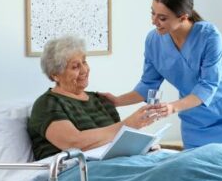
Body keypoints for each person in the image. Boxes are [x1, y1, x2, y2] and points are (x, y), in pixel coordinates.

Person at [102, 0, 222, 150]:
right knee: (193, 172)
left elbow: (207, 86)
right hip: (193, 120)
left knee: (220, 170)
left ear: (183, 17)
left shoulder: (209, 36)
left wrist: (172, 107)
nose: (154, 21)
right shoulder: (153, 41)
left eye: (162, 18)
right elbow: (147, 85)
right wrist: (116, 101)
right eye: (153, 13)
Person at [28, 35, 157, 160]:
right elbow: (74, 143)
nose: (84, 70)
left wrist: (143, 146)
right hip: (74, 172)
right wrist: (128, 124)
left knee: (172, 163)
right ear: (55, 75)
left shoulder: (101, 100)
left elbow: (117, 143)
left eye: (84, 62)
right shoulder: (47, 104)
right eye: (75, 66)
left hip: (113, 165)